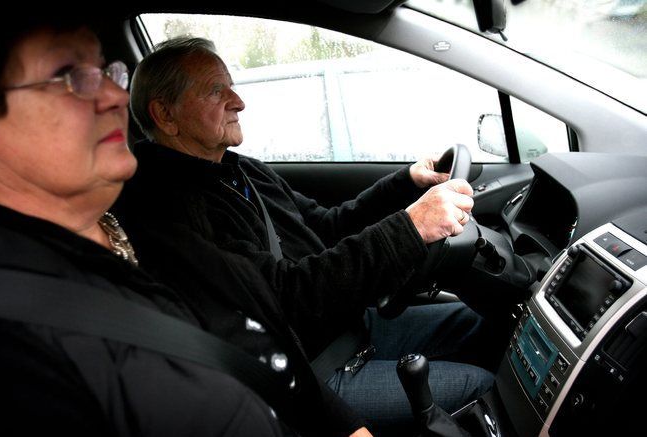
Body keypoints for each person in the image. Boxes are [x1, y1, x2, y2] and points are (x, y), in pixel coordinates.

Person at [0, 14, 371, 437]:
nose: (115, 95)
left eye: (109, 73)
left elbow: (261, 344)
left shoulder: (148, 232)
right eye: (69, 76)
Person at [122, 36, 507, 434]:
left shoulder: (242, 170)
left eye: (232, 86)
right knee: (481, 387)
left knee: (481, 326)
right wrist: (411, 227)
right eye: (216, 91)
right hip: (316, 370)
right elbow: (285, 297)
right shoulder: (173, 209)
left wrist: (406, 182)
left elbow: (327, 227)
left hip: (354, 326)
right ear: (166, 115)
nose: (239, 101)